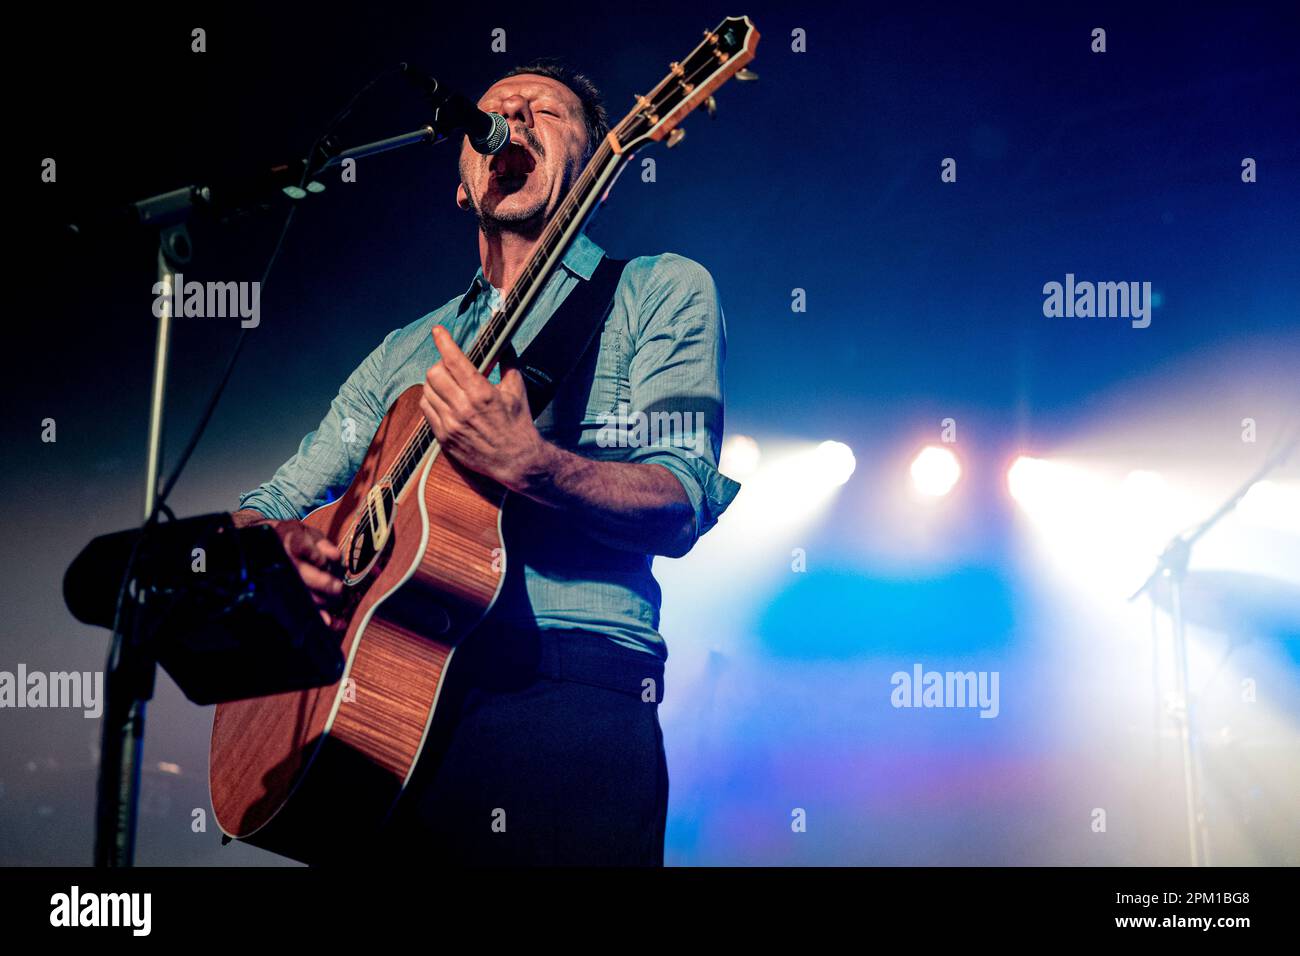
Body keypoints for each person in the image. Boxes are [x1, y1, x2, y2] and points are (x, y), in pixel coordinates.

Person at [232, 60, 739, 864]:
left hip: (562, 686)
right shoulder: (404, 349)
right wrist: (275, 552)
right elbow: (271, 501)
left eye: (548, 113)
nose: (515, 119)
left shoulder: (658, 290)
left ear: (599, 170)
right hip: (376, 695)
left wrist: (532, 464)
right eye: (497, 111)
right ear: (463, 184)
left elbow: (679, 501)